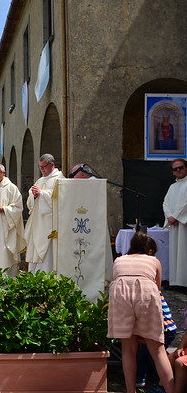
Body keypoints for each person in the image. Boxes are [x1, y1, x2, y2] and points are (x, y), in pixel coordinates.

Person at [108, 231, 175, 393]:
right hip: (146, 293)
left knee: (128, 350)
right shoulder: (153, 260)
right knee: (158, 350)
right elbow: (157, 289)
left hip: (120, 295)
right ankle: (171, 390)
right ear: (150, 250)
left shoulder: (119, 260)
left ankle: (131, 390)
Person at [135, 237, 178, 390]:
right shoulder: (150, 283)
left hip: (164, 327)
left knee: (152, 353)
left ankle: (148, 379)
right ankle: (154, 378)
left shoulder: (147, 289)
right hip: (166, 326)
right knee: (154, 353)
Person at [24, 154, 64, 272]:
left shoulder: (60, 179)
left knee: (48, 252)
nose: (41, 169)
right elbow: (30, 202)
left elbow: (61, 199)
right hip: (37, 224)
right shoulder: (40, 180)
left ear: (52, 165)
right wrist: (35, 196)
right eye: (40, 167)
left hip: (50, 224)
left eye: (43, 167)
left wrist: (42, 194)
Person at [163, 158, 187, 287]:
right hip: (174, 224)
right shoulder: (172, 187)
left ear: (186, 168)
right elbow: (165, 203)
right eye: (175, 169)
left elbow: (186, 205)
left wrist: (176, 217)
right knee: (175, 252)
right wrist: (169, 217)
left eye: (181, 167)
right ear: (172, 172)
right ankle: (176, 282)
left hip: (184, 224)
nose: (178, 170)